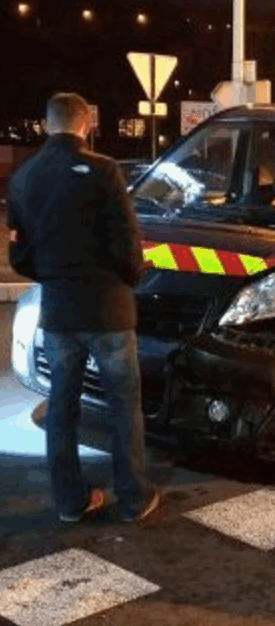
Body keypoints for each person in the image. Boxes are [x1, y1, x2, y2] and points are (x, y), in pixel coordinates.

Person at [7, 92, 159, 523]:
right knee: (123, 405)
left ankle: (70, 502)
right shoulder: (105, 170)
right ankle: (133, 498)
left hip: (59, 311)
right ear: (87, 123)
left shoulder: (24, 177)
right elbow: (127, 243)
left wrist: (54, 276)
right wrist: (133, 276)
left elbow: (19, 255)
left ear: (46, 124)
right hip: (109, 309)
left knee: (62, 407)